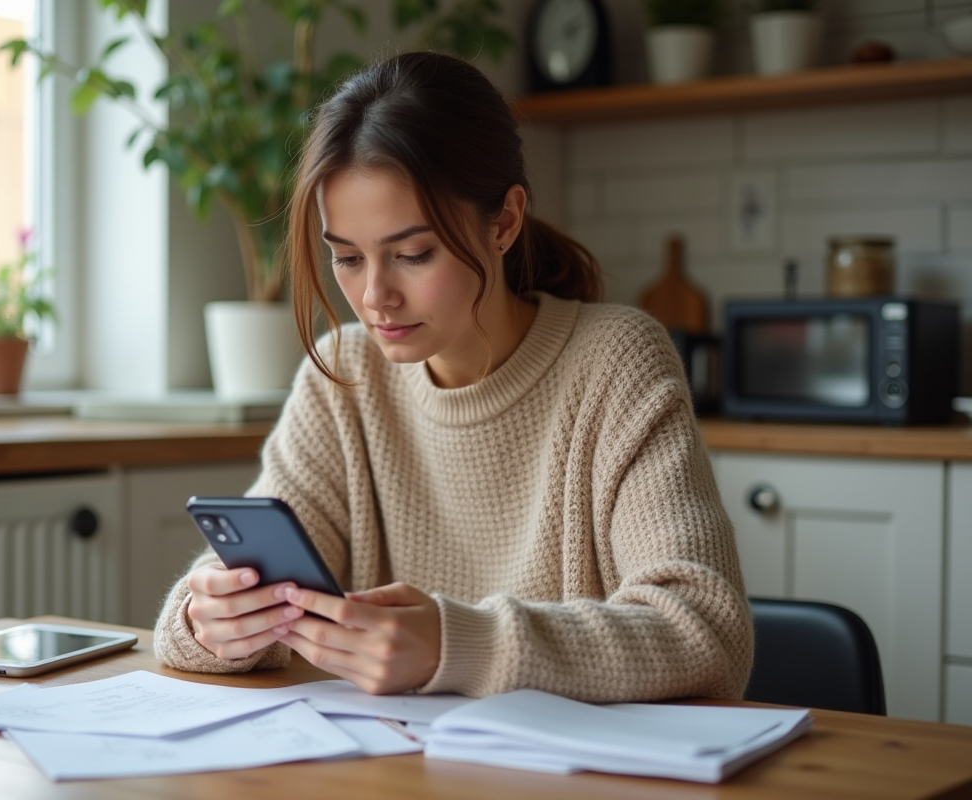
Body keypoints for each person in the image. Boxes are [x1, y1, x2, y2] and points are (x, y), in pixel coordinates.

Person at [154, 51, 753, 702]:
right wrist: (212, 619)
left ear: (504, 222)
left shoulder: (616, 361)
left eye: (413, 254)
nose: (375, 294)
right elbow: (220, 614)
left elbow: (708, 634)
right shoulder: (344, 376)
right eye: (347, 258)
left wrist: (457, 645)